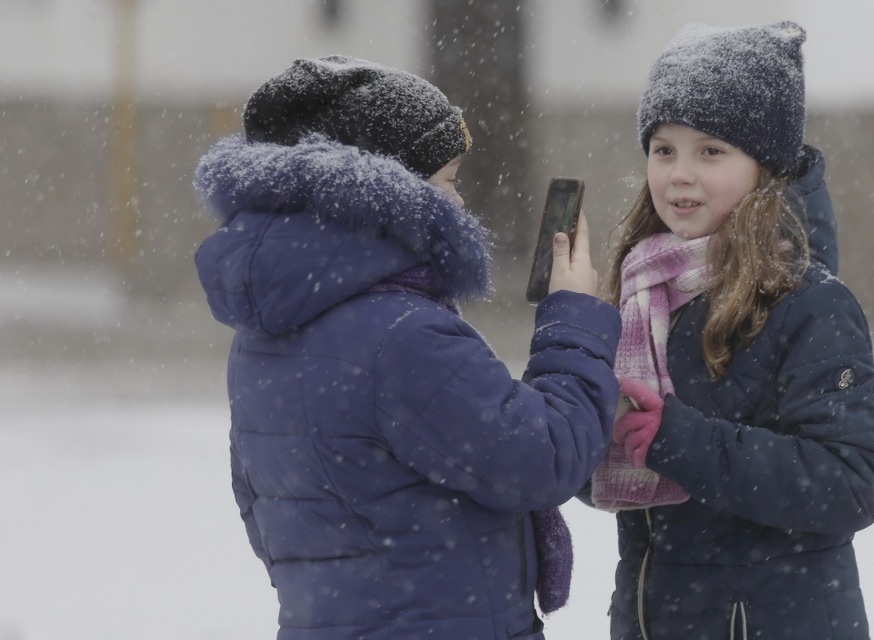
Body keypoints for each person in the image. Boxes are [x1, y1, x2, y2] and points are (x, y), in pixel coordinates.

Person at [192, 55, 621, 639]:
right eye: (448, 180)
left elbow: (264, 507)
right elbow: (540, 460)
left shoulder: (271, 328)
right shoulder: (401, 335)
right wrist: (571, 317)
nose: (461, 204)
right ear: (392, 192)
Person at [586, 22, 874, 639]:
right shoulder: (644, 290)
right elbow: (610, 483)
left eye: (710, 151)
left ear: (766, 168)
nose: (679, 174)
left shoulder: (809, 304)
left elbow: (853, 483)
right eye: (663, 149)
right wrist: (576, 409)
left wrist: (677, 437)